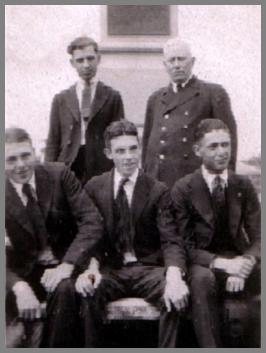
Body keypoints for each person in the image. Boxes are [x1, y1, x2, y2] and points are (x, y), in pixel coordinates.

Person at [75, 120, 189, 347]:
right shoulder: (94, 188)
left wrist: (175, 277)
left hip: (148, 269)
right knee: (88, 291)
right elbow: (90, 236)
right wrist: (91, 270)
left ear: (140, 148)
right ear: (109, 153)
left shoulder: (157, 190)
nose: (128, 156)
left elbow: (171, 239)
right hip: (111, 270)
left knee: (174, 293)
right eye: (120, 151)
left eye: (133, 148)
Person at [5, 127, 103, 347]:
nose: (21, 165)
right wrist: (18, 286)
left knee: (67, 289)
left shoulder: (59, 175)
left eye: (25, 155)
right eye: (11, 159)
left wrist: (68, 263)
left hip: (62, 266)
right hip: (18, 273)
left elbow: (92, 221)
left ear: (35, 152)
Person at [171, 119, 260, 347]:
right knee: (202, 280)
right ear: (197, 150)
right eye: (213, 146)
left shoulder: (243, 185)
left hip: (239, 261)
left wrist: (245, 263)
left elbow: (260, 235)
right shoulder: (184, 188)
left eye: (226, 145)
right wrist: (223, 264)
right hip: (203, 263)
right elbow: (183, 246)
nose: (222, 152)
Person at [142, 37, 237, 188]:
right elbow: (147, 146)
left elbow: (228, 142)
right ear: (165, 65)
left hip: (195, 184)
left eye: (181, 59)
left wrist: (224, 184)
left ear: (192, 62)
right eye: (172, 60)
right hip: (159, 184)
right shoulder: (156, 99)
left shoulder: (212, 93)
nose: (177, 65)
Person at [45, 36, 125, 183]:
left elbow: (119, 139)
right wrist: (48, 176)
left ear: (98, 59)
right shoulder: (61, 99)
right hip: (68, 165)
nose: (86, 65)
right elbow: (53, 141)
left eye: (90, 59)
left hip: (100, 167)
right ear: (72, 63)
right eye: (80, 60)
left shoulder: (112, 97)